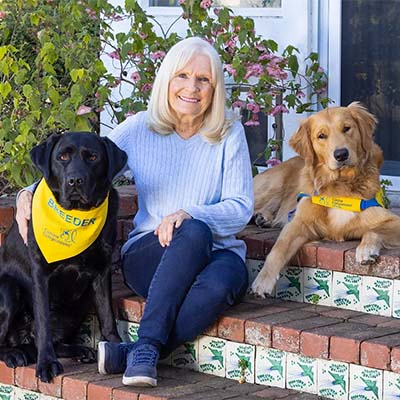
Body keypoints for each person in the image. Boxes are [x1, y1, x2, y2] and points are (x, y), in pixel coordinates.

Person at [16, 36, 254, 388]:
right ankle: (144, 351)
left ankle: (139, 351)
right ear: (166, 80)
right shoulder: (140, 128)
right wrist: (27, 192)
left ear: (215, 87)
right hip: (151, 251)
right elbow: (82, 159)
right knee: (194, 232)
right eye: (182, 76)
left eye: (203, 79)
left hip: (219, 254)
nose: (192, 87)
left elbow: (240, 208)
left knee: (217, 276)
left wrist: (188, 212)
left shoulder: (229, 133)